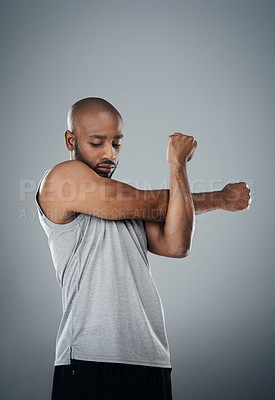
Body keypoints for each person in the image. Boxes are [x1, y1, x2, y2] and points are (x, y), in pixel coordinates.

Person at [35, 97, 251, 400]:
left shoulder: (126, 198)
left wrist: (178, 169)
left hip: (151, 358)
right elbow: (151, 203)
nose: (110, 153)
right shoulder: (60, 180)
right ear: (71, 139)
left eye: (117, 143)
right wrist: (220, 197)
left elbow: (176, 244)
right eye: (97, 142)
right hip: (89, 358)